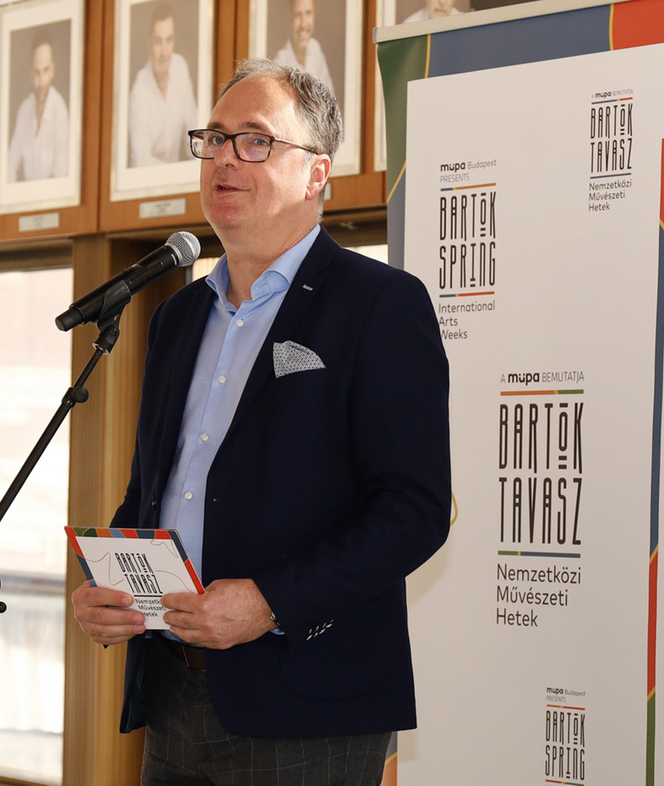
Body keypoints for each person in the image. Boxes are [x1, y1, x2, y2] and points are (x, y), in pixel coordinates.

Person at [72, 58, 450, 785]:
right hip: (175, 688)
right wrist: (114, 584)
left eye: (254, 140)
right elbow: (155, 487)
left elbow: (414, 510)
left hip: (309, 695)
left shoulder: (379, 304)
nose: (223, 158)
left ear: (317, 174)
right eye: (213, 138)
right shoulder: (177, 315)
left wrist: (269, 602)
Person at [128, 3, 198, 167]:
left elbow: (194, 133)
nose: (164, 52)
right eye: (158, 41)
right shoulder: (139, 91)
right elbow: (141, 159)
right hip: (146, 181)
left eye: (169, 40)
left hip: (174, 177)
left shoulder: (180, 67)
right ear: (150, 43)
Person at [7, 31, 70, 182]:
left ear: (53, 70)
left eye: (45, 71)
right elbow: (9, 162)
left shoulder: (59, 111)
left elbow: (60, 175)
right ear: (30, 75)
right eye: (36, 73)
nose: (41, 81)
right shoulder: (24, 110)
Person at [274, 0, 334, 94]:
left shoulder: (315, 48)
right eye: (298, 15)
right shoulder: (280, 62)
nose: (303, 24)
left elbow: (329, 96)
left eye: (308, 13)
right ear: (291, 19)